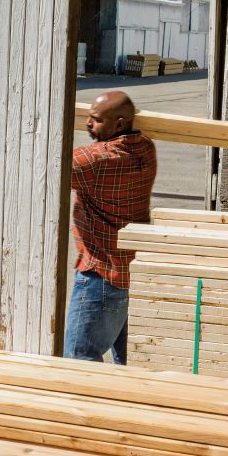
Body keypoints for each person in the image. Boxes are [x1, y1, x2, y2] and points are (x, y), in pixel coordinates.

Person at [63, 91, 157, 365]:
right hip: (129, 272)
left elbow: (46, 161)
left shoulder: (95, 161)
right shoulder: (146, 149)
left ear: (118, 124)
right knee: (129, 362)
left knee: (80, 358)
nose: (88, 125)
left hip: (99, 275)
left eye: (96, 120)